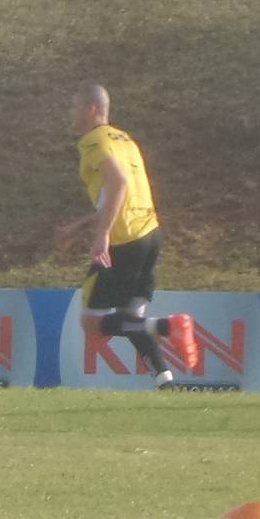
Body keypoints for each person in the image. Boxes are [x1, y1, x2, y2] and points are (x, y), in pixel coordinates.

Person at [57, 84, 200, 387]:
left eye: (75, 107)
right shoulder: (125, 139)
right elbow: (118, 195)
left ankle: (169, 326)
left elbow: (118, 184)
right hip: (149, 235)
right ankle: (166, 383)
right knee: (132, 320)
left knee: (92, 324)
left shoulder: (93, 141)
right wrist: (81, 225)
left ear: (93, 108)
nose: (71, 114)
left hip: (123, 241)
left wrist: (101, 235)